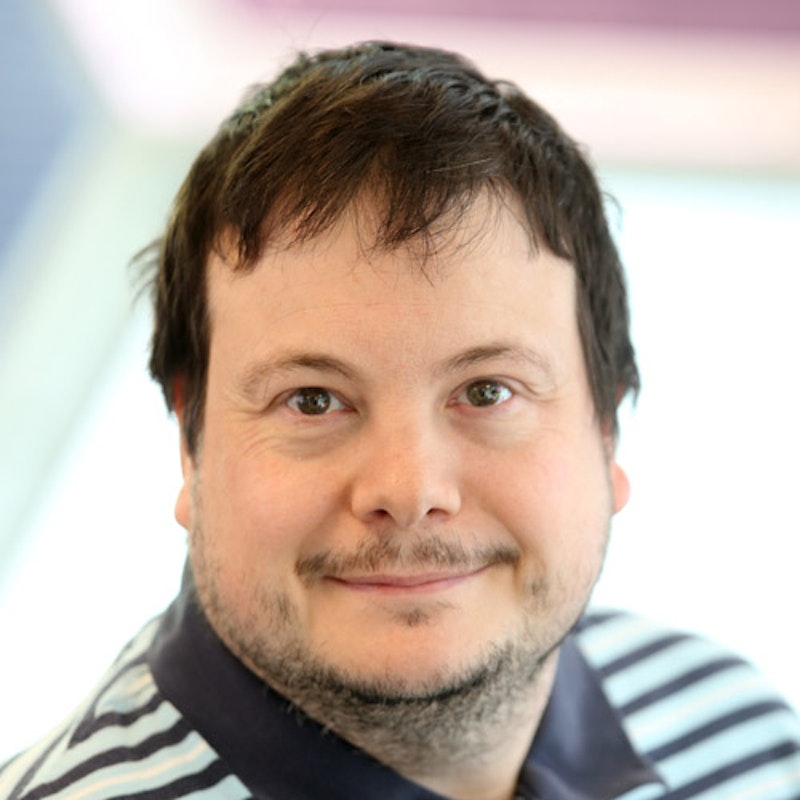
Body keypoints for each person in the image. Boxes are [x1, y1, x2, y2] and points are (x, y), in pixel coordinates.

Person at [1, 41, 798, 800]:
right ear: (189, 445)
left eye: (487, 392)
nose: (409, 491)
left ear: (607, 430)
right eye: (312, 400)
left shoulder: (742, 737)